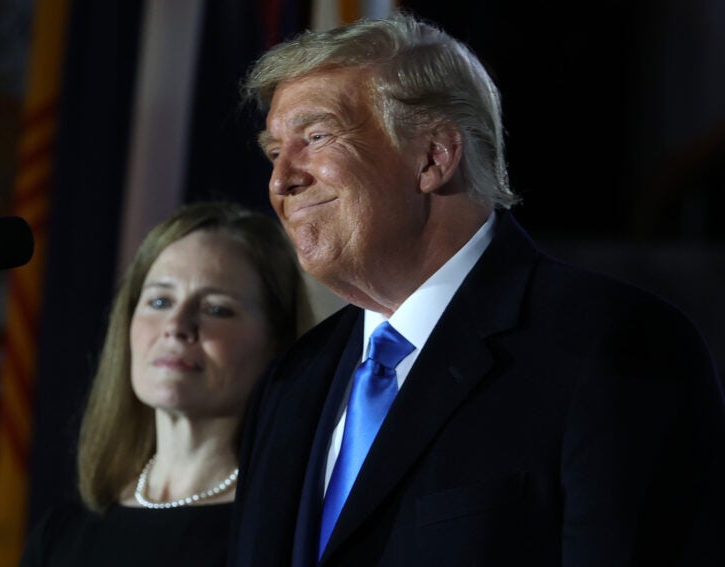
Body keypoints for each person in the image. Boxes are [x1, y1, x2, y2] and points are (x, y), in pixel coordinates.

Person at [228, 11, 725, 567]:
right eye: (274, 151)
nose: (281, 180)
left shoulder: (611, 346)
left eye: (316, 137)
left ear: (434, 156)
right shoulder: (292, 381)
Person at [20, 200, 313, 566]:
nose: (176, 326)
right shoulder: (62, 535)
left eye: (216, 309)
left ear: (277, 341)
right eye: (159, 301)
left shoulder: (292, 533)